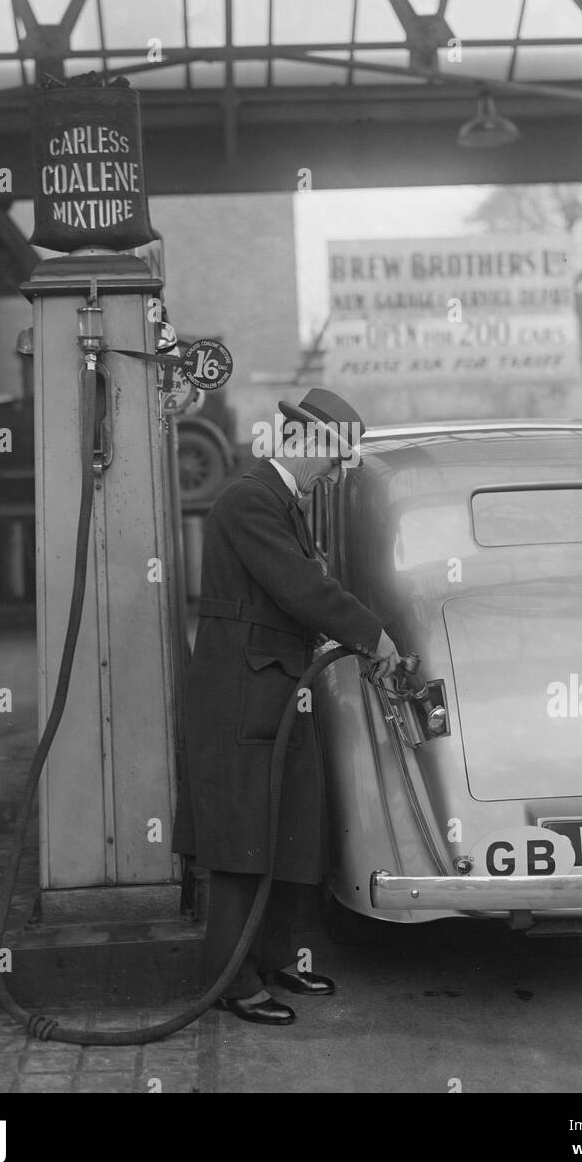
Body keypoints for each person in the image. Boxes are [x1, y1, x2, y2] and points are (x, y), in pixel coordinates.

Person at [171, 388, 400, 1025]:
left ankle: (271, 962)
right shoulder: (250, 500)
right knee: (243, 839)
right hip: (243, 691)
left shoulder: (284, 502)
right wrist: (371, 634)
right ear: (301, 441)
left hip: (277, 684)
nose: (334, 472)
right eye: (333, 457)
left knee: (290, 827)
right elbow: (302, 588)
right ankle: (232, 983)